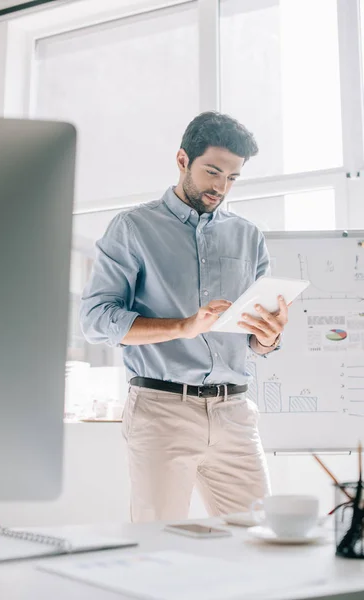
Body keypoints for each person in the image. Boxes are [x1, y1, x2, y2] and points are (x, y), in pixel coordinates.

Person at [80, 111, 289, 522]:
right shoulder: (132, 228)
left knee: (259, 540)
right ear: (182, 160)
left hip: (235, 411)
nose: (221, 187)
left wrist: (268, 336)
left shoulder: (248, 236)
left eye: (232, 178)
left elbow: (255, 340)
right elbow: (96, 319)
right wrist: (183, 326)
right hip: (161, 409)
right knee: (156, 546)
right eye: (213, 172)